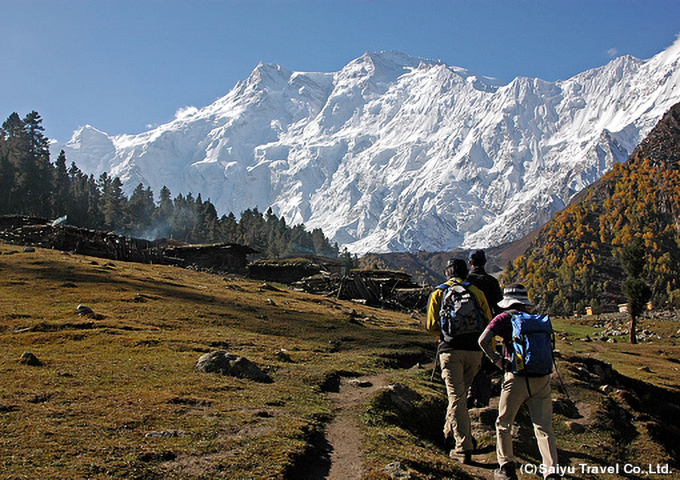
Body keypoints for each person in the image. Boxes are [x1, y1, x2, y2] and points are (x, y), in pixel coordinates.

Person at [478, 284, 560, 480]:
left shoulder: (504, 318)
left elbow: (482, 340)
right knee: (543, 427)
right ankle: (552, 471)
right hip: (542, 378)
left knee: (504, 423)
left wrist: (497, 360)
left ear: (507, 302)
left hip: (515, 377)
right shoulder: (538, 320)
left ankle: (506, 467)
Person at [427, 258, 492, 464]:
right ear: (465, 273)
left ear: (447, 273)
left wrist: (445, 337)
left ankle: (463, 447)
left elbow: (431, 325)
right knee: (460, 395)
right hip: (475, 352)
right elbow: (489, 322)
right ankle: (448, 433)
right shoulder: (476, 292)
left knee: (456, 397)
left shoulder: (439, 292)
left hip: (451, 351)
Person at [466, 249, 503, 408]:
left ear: (470, 263)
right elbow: (500, 309)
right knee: (485, 367)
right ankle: (482, 404)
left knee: (467, 367)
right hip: (487, 331)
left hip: (464, 332)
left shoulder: (464, 282)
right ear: (484, 263)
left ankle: (467, 397)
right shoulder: (491, 282)